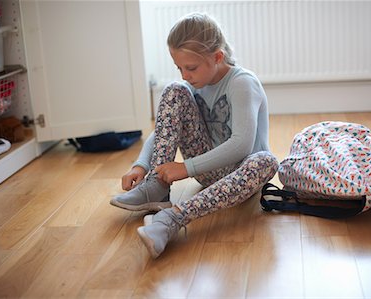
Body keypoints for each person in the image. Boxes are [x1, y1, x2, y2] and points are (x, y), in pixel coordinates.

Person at [110, 12, 278, 258]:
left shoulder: (242, 83)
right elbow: (161, 131)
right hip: (208, 170)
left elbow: (241, 144)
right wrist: (141, 165)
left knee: (267, 161)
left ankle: (170, 219)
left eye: (191, 68)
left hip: (242, 175)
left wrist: (186, 167)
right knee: (174, 90)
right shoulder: (190, 85)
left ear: (217, 57)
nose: (184, 75)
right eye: (179, 67)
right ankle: (156, 187)